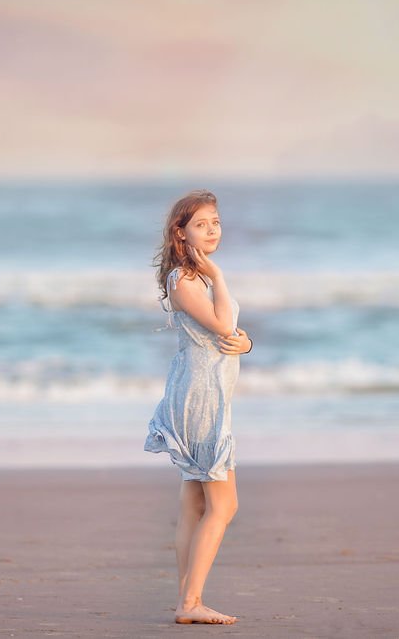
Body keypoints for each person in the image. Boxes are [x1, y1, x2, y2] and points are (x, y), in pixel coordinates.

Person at [144, 189, 253, 625]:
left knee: (194, 503)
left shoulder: (196, 277)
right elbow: (222, 323)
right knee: (224, 506)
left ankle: (186, 600)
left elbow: (226, 334)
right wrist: (222, 278)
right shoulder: (186, 280)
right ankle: (190, 602)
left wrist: (247, 343)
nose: (212, 231)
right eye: (201, 224)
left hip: (203, 392)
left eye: (216, 222)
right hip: (202, 400)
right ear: (180, 232)